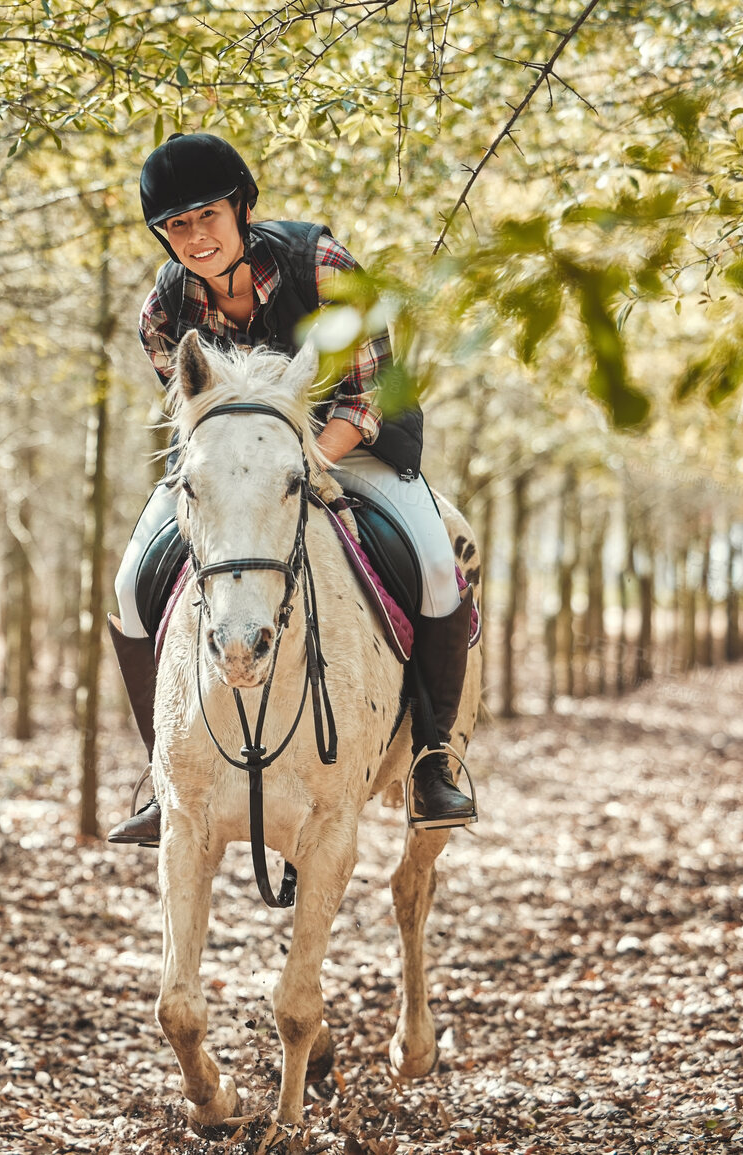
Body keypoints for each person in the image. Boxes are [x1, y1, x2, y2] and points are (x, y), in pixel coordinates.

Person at [105, 131, 477, 846]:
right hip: (233, 471)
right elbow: (198, 424)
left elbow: (365, 397)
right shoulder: (160, 313)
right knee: (128, 585)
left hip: (353, 446)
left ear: (242, 207)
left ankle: (432, 758)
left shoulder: (323, 263)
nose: (195, 237)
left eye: (207, 216)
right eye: (176, 227)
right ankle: (163, 774)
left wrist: (299, 472)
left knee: (436, 566)